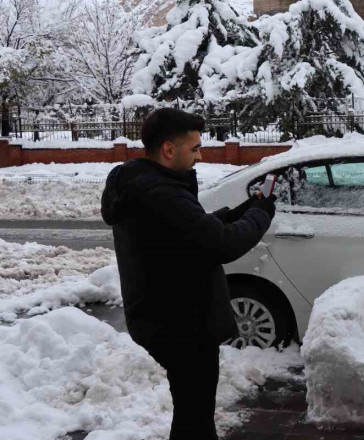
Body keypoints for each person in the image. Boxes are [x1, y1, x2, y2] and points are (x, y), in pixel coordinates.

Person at [100, 108, 277, 440]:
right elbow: (222, 244)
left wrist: (240, 211)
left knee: (192, 412)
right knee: (195, 417)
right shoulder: (163, 193)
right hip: (182, 322)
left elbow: (188, 230)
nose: (200, 154)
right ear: (169, 150)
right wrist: (261, 214)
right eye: (195, 148)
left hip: (164, 316)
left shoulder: (142, 185)